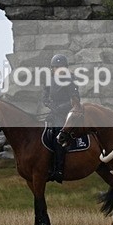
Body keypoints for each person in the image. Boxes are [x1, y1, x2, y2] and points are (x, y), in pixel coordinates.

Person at [42, 54, 80, 182]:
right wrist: (50, 104)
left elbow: (75, 99)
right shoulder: (50, 80)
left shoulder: (70, 79)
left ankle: (59, 170)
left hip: (67, 113)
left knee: (59, 134)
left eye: (60, 67)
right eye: (55, 67)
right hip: (54, 112)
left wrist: (61, 107)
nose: (57, 69)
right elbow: (45, 97)